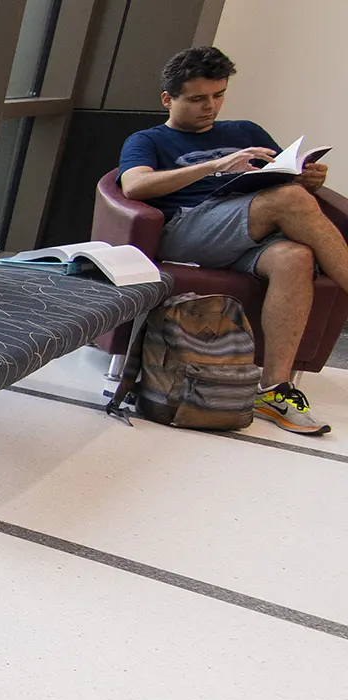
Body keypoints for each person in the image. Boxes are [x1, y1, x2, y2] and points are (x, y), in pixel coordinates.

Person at [118, 45, 345, 435]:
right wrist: (215, 166)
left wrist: (307, 178)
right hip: (189, 231)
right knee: (289, 200)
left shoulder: (246, 131)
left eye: (218, 95)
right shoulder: (149, 139)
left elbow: (280, 176)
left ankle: (274, 389)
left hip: (248, 231)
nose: (211, 106)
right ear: (167, 98)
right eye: (198, 98)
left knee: (296, 256)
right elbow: (134, 185)